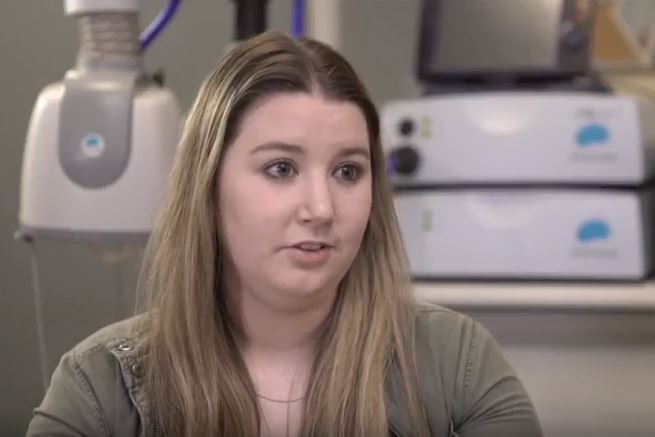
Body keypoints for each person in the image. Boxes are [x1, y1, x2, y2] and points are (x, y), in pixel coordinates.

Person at [26, 31, 542, 437]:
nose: (320, 208)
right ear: (208, 186)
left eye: (347, 172)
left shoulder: (456, 365)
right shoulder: (100, 389)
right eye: (280, 169)